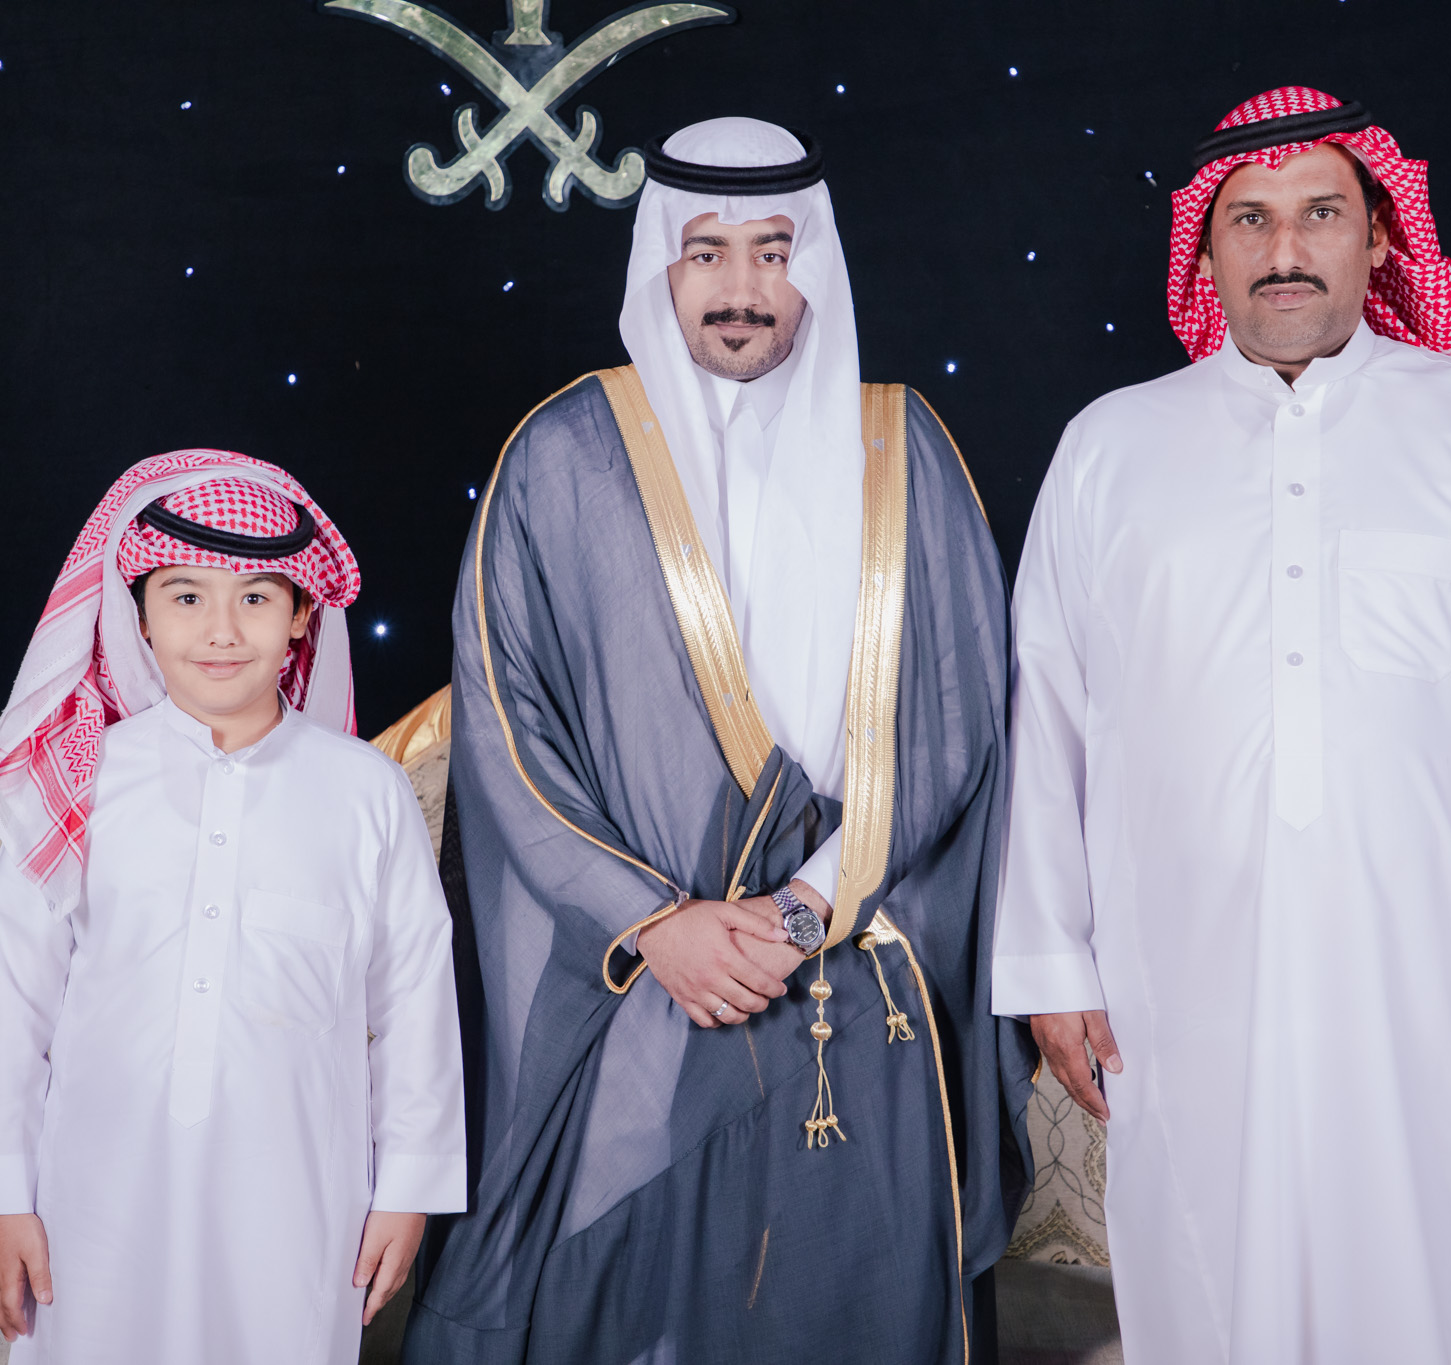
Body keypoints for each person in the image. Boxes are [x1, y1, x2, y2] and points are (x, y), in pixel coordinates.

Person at [992, 87, 1451, 1363]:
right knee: (1211, 1278)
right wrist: (1050, 965)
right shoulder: (1109, 449)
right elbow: (1048, 719)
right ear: (1205, 250)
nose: (1282, 249)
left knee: (1446, 1277)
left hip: (1449, 984)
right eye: (1248, 219)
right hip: (1182, 980)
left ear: (1379, 239)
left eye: (1318, 215)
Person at [405, 118, 1033, 1365]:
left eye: (771, 253)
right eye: (706, 253)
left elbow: (955, 717)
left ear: (815, 268)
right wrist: (658, 926)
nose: (739, 289)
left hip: (850, 961)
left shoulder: (903, 447)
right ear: (662, 265)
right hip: (638, 980)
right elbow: (508, 736)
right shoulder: (560, 456)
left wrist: (802, 910)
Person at [0, 452, 466, 1364]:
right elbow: (14, 998)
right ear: (138, 615)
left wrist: (408, 1189)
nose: (221, 630)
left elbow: (416, 1002)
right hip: (96, 1201)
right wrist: (2, 1200)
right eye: (186, 597)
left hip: (297, 1203)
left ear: (301, 616)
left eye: (255, 597)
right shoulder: (79, 783)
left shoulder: (365, 792)